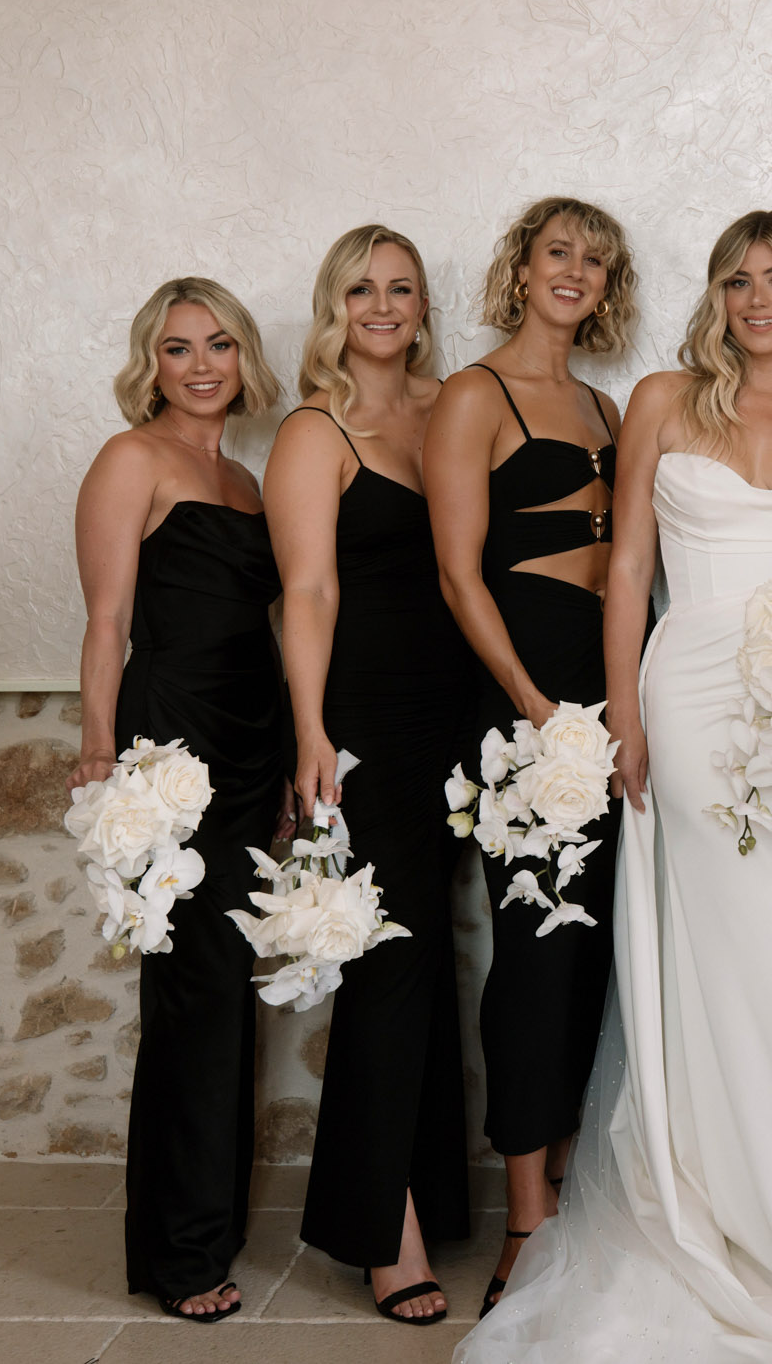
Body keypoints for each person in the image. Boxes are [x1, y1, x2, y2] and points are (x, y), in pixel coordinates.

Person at [459, 209, 772, 1364]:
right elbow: (626, 572)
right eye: (736, 280)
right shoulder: (662, 397)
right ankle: (715, 1196)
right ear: (716, 297)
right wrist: (623, 721)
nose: (757, 299)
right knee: (725, 943)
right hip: (687, 698)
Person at [426, 196, 637, 1316]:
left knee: (596, 943)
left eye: (594, 262)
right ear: (520, 268)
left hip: (610, 692)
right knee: (533, 943)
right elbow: (458, 572)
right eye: (558, 253)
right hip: (525, 696)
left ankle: (568, 1182)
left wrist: (618, 709)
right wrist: (533, 706)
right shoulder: (477, 394)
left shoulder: (605, 402)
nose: (575, 273)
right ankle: (523, 1217)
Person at [264, 224, 478, 1325]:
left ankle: (425, 1192)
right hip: (368, 720)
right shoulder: (315, 427)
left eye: (400, 288)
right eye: (360, 288)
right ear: (331, 304)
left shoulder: (449, 405)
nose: (381, 305)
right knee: (387, 960)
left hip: (460, 711)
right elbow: (305, 592)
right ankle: (379, 1231)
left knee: (430, 955)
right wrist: (309, 729)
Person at [71, 277, 288, 1323]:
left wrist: (294, 754)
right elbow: (107, 617)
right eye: (175, 349)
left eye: (218, 345)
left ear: (244, 358)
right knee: (193, 991)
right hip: (174, 752)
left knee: (226, 981)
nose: (200, 364)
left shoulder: (246, 477)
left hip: (253, 746)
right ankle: (183, 1251)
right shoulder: (131, 459)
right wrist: (103, 751)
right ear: (148, 365)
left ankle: (204, 1222)